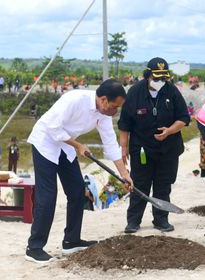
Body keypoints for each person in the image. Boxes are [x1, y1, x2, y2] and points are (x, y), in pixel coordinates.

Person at [25, 79, 133, 264]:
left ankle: (71, 241)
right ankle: (34, 248)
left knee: (76, 191)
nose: (115, 112)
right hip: (45, 143)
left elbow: (110, 143)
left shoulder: (103, 114)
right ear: (104, 99)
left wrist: (124, 174)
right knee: (48, 195)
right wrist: (77, 145)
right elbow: (52, 127)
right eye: (114, 107)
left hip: (64, 148)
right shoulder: (75, 99)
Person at [118, 57, 190, 234]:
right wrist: (124, 148)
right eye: (156, 78)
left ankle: (161, 219)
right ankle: (133, 221)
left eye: (163, 79)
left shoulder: (171, 91)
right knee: (140, 184)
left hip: (168, 148)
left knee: (163, 185)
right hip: (142, 148)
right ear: (147, 75)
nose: (160, 82)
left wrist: (169, 131)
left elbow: (184, 118)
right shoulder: (135, 93)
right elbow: (124, 124)